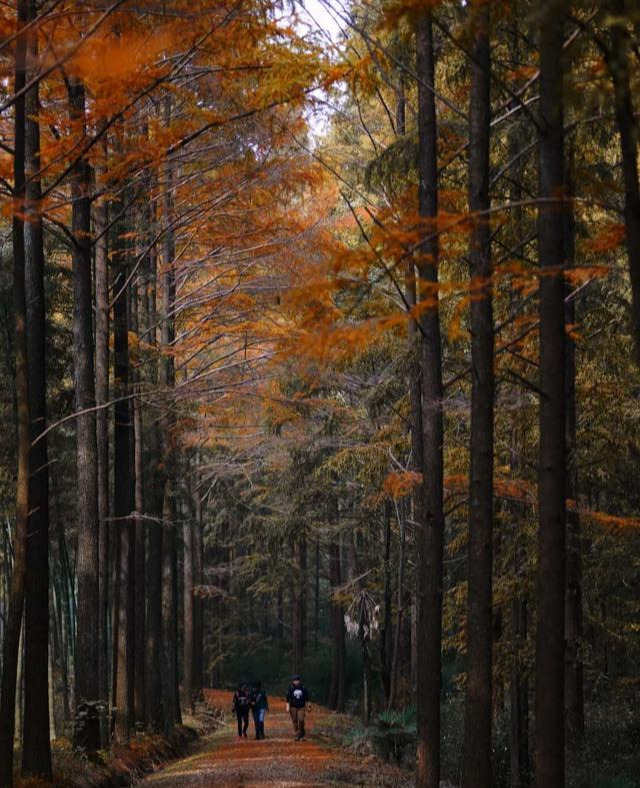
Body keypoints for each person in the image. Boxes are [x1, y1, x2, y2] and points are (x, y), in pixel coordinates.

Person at [285, 674, 310, 741]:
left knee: (301, 720)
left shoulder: (303, 688)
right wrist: (287, 707)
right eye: (295, 680)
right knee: (295, 721)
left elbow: (307, 698)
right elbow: (288, 698)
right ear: (293, 681)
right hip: (293, 707)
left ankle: (302, 733)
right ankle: (297, 733)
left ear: (299, 681)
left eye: (297, 680)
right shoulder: (290, 688)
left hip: (301, 706)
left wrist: (308, 706)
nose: (296, 682)